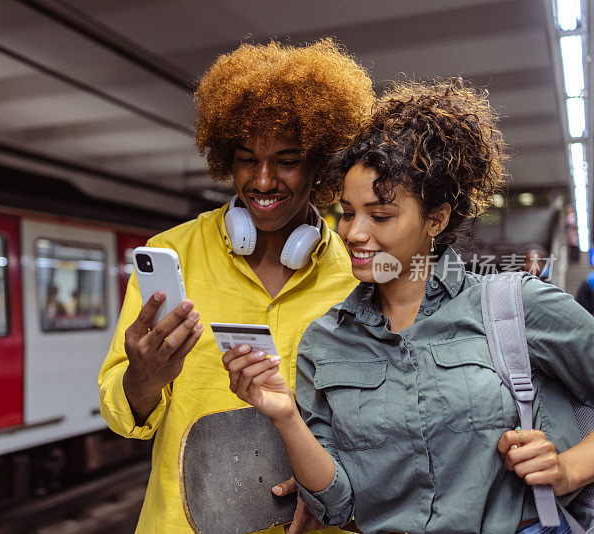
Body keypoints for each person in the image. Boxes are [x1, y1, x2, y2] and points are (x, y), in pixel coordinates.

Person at [224, 79, 594, 533]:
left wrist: (570, 468)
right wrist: (285, 417)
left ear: (436, 218)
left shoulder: (514, 308)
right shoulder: (325, 340)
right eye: (347, 211)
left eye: (380, 216)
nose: (354, 233)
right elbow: (336, 508)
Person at [98, 39, 374, 533]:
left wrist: (335, 487)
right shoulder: (173, 254)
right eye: (247, 159)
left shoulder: (358, 271)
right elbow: (123, 417)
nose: (263, 180)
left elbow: (393, 420)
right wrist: (143, 377)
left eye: (287, 160)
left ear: (323, 165)